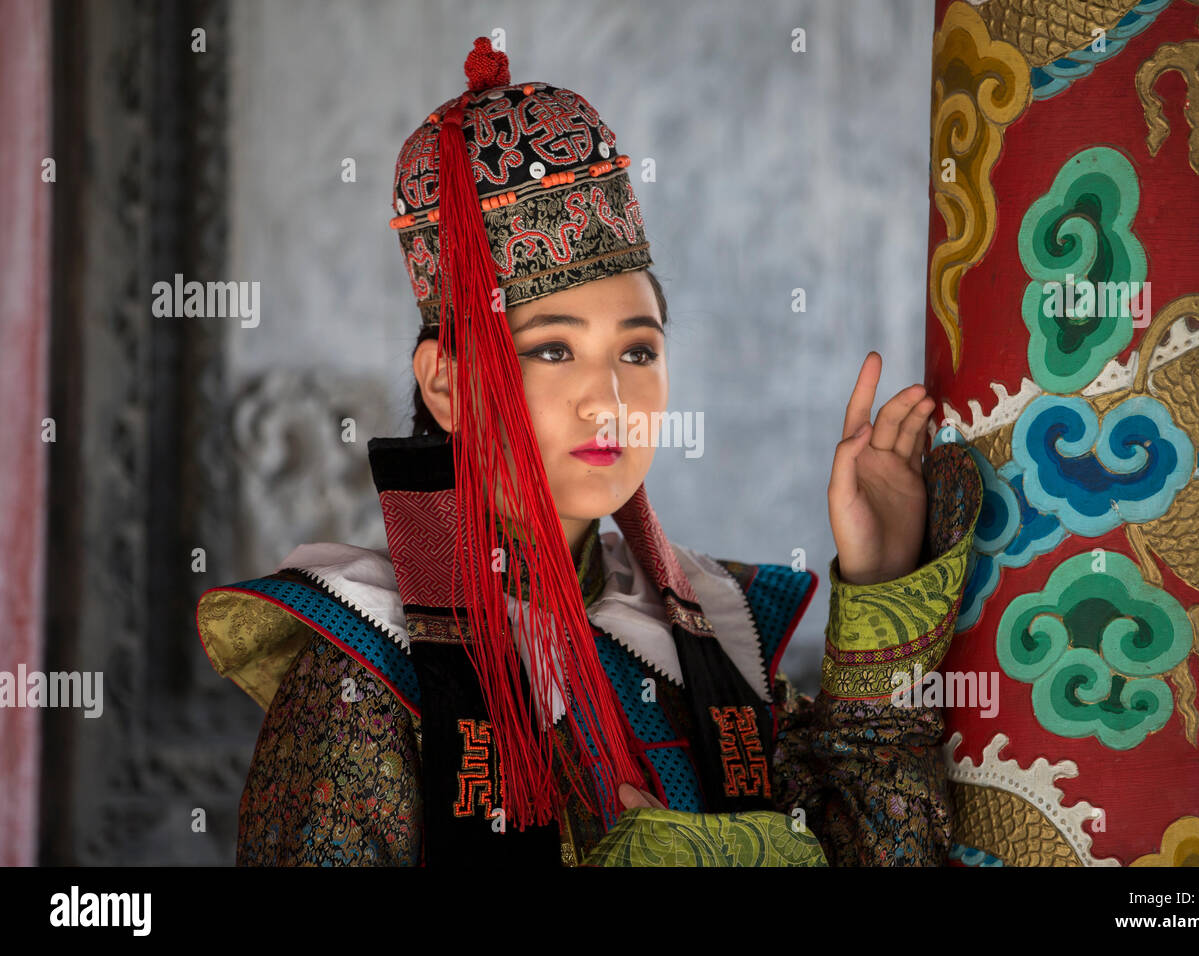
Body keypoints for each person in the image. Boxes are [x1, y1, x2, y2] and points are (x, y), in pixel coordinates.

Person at [194, 37, 983, 867]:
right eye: (551, 350)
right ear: (447, 384)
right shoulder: (365, 674)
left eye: (636, 352)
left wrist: (881, 592)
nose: (608, 399)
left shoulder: (703, 639)